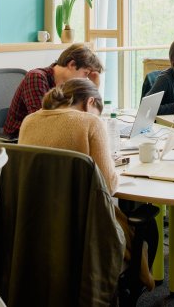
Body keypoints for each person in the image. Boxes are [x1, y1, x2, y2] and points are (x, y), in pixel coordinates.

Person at [18, 78, 156, 293]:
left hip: (34, 221)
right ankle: (136, 285)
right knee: (146, 224)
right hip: (83, 222)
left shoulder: (29, 120)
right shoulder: (90, 123)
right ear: (91, 102)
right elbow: (108, 187)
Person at [4, 43, 103, 136]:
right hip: (24, 138)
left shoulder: (68, 86)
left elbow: (86, 113)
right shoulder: (36, 77)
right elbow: (43, 121)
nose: (85, 79)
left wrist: (94, 87)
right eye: (85, 73)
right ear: (72, 64)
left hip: (51, 135)